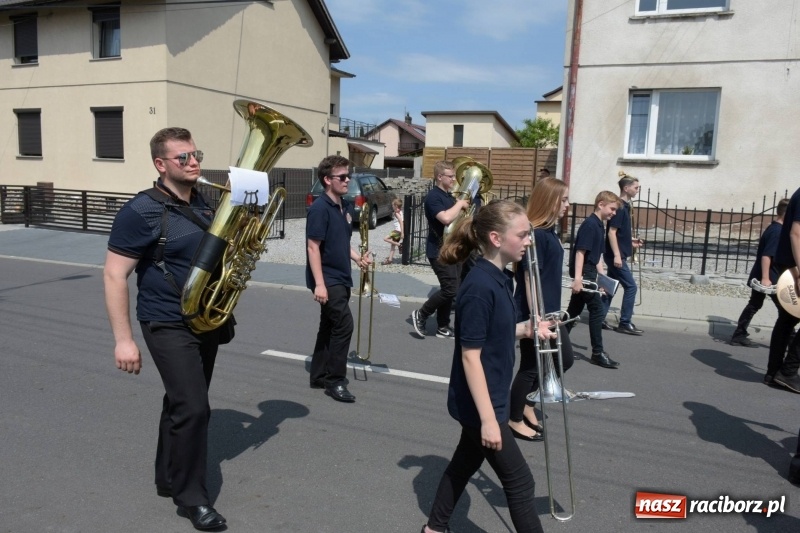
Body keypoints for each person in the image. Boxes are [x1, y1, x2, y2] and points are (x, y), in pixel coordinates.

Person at [103, 127, 227, 530]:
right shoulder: (140, 211)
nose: (193, 162)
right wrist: (124, 341)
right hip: (165, 319)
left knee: (180, 402)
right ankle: (193, 498)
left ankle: (167, 477)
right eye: (183, 157)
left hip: (203, 318)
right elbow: (114, 275)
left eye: (195, 154)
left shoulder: (206, 202)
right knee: (194, 406)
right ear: (161, 164)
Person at [421, 200, 550, 533]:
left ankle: (434, 529)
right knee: (521, 483)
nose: (528, 241)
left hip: (490, 399)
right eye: (522, 235)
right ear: (496, 238)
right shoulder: (479, 287)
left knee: (463, 464)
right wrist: (489, 421)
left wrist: (526, 329)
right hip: (482, 406)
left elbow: (493, 332)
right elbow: (470, 355)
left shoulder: (500, 278)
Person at [509, 178, 575, 441]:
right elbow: (529, 278)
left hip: (550, 311)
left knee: (562, 360)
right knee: (531, 367)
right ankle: (514, 419)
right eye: (564, 199)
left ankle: (527, 404)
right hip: (535, 312)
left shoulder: (549, 232)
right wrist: (536, 317)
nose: (567, 205)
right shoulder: (535, 234)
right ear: (550, 200)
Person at [306, 155, 371, 403]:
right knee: (344, 325)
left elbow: (341, 241)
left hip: (342, 275)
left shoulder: (344, 206)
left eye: (348, 176)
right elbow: (313, 247)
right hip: (328, 278)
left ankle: (318, 375)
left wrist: (357, 258)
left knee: (329, 325)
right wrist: (319, 284)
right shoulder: (319, 209)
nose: (347, 180)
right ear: (327, 180)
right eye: (342, 177)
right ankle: (335, 381)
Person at [410, 161, 470, 339]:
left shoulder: (449, 197)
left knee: (452, 289)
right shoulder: (433, 197)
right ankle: (421, 314)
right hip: (438, 250)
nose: (454, 179)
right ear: (439, 177)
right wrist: (460, 204)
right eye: (450, 176)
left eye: (453, 176)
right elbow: (445, 218)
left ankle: (442, 326)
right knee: (450, 289)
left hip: (452, 248)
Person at [565, 191, 622, 369]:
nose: (613, 213)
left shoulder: (599, 225)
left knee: (573, 311)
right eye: (612, 209)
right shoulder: (590, 225)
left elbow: (597, 257)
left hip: (589, 272)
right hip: (585, 273)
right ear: (600, 204)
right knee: (597, 310)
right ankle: (597, 353)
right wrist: (578, 279)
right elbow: (580, 252)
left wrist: (602, 279)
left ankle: (556, 342)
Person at [730, 198, 789, 346]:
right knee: (785, 310)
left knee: (755, 304)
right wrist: (765, 278)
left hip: (768, 275)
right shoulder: (777, 232)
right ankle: (790, 339)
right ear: (786, 214)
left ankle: (739, 334)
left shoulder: (774, 228)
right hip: (770, 278)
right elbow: (766, 256)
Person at [765, 188, 800, 393]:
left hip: (790, 265)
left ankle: (774, 373)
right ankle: (787, 372)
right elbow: (796, 233)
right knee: (787, 321)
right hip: (794, 268)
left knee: (786, 321)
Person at [602, 173, 645, 335]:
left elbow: (619, 233)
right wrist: (617, 255)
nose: (638, 190)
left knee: (610, 286)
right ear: (626, 188)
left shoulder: (625, 206)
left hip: (616, 253)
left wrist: (630, 241)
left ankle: (599, 317)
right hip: (615, 256)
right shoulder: (619, 208)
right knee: (631, 287)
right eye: (636, 187)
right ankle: (625, 322)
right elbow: (611, 232)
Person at [382, 197, 404, 265]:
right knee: (393, 245)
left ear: (396, 206)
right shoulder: (400, 212)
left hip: (397, 231)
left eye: (393, 205)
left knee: (385, 238)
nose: (392, 206)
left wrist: (402, 233)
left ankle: (400, 245)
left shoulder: (397, 213)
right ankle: (390, 259)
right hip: (398, 231)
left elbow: (401, 222)